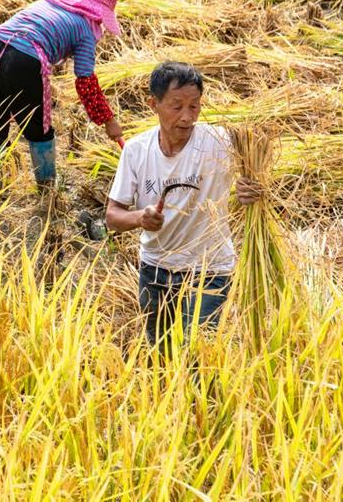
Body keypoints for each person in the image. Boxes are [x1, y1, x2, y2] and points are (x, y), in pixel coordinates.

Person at [105, 62, 262, 355]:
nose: (187, 117)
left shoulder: (219, 142)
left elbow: (257, 166)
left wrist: (248, 190)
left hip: (210, 269)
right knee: (160, 352)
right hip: (155, 271)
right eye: (176, 107)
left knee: (198, 354)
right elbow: (113, 216)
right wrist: (140, 217)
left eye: (194, 106)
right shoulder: (136, 150)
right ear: (154, 104)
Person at [0, 0, 124, 192]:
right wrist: (109, 121)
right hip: (24, 60)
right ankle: (47, 190)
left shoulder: (53, 3)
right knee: (38, 128)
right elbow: (85, 81)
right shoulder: (85, 29)